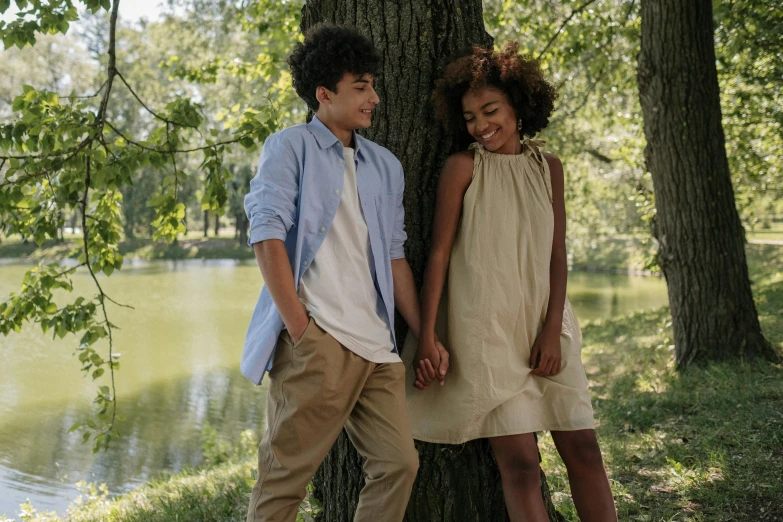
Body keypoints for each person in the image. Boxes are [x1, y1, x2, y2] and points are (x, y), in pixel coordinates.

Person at [403, 42, 618, 522]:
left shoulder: (549, 169)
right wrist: (428, 335)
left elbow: (557, 254)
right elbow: (437, 253)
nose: (480, 125)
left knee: (584, 450)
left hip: (545, 327)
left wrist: (551, 330)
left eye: (490, 110)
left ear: (520, 106)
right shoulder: (464, 167)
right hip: (488, 334)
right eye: (470, 116)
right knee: (520, 466)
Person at [241, 23, 427, 522]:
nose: (375, 98)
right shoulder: (289, 147)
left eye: (373, 86)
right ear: (325, 94)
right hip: (319, 342)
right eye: (361, 87)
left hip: (378, 347)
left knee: (399, 464)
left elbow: (394, 255)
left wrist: (427, 333)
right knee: (284, 482)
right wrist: (300, 329)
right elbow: (266, 236)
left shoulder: (385, 165)